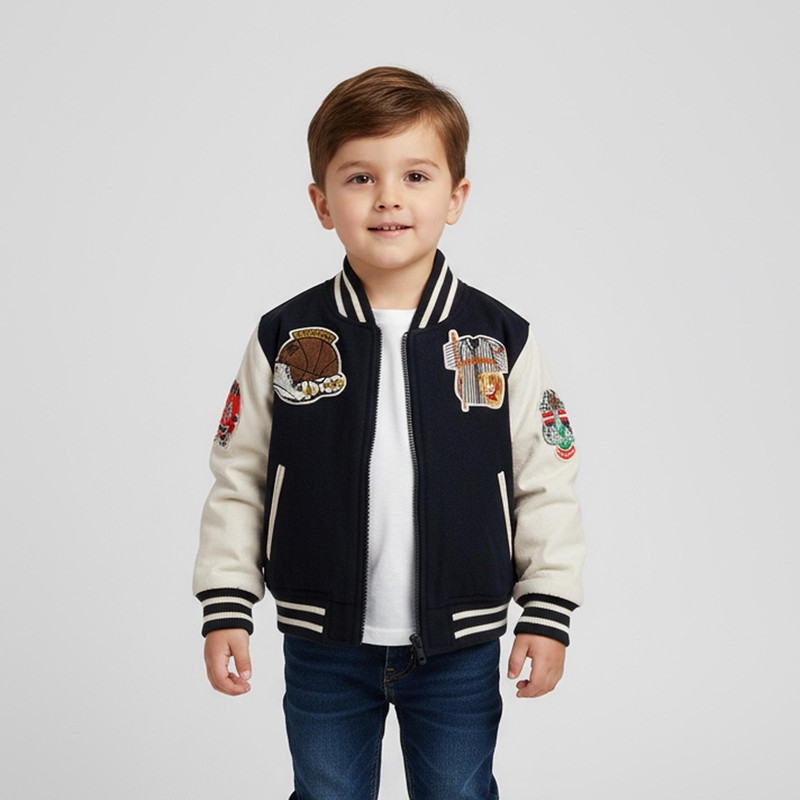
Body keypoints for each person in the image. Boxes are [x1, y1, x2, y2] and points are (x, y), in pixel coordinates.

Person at [193, 65, 585, 800]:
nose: (389, 198)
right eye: (360, 178)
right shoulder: (286, 335)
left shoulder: (502, 338)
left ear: (455, 196)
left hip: (461, 644)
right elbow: (240, 474)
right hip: (324, 643)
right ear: (322, 202)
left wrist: (548, 608)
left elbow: (545, 478)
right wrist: (226, 601)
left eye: (415, 175)